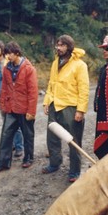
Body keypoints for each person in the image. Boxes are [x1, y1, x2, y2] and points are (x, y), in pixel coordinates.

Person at [42, 35, 89, 183]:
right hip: (54, 104)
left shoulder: (80, 65)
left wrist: (80, 110)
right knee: (52, 137)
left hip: (71, 106)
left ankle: (74, 171)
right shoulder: (55, 62)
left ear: (69, 47)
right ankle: (54, 163)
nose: (58, 48)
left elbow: (84, 89)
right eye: (57, 45)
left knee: (73, 140)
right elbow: (51, 84)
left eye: (62, 45)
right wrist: (46, 101)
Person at [0, 41, 38, 174]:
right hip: (11, 109)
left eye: (10, 54)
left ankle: (28, 158)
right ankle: (3, 163)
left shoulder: (29, 69)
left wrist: (31, 111)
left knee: (28, 135)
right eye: (6, 54)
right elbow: (4, 89)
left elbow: (33, 92)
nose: (8, 57)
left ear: (17, 53)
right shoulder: (7, 68)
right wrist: (4, 106)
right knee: (5, 135)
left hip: (24, 109)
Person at [0, 40, 24, 157]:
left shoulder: (9, 62)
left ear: (2, 50)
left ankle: (19, 146)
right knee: (5, 123)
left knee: (14, 122)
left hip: (9, 97)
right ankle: (12, 144)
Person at [93, 35, 108, 112]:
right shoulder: (103, 69)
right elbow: (99, 88)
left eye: (107, 49)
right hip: (102, 109)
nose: (104, 51)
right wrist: (96, 104)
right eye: (103, 49)